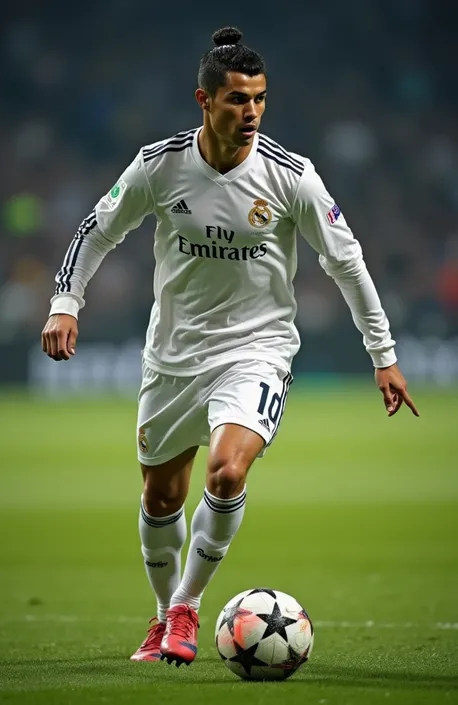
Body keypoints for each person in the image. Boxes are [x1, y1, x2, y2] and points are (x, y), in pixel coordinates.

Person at [41, 26, 419, 667]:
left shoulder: (290, 176)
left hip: (257, 348)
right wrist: (64, 303)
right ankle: (163, 620)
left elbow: (347, 262)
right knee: (161, 497)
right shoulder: (158, 165)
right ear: (204, 100)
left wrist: (383, 355)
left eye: (260, 100)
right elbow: (97, 229)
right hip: (173, 355)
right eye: (238, 100)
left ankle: (187, 604)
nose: (251, 113)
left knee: (228, 470)